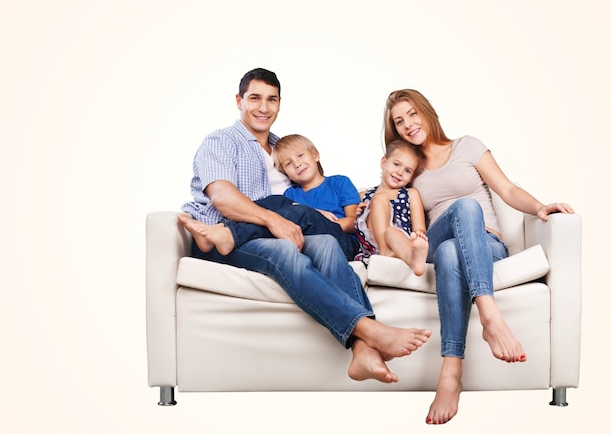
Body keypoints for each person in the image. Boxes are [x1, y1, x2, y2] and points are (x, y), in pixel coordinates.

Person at [180, 68, 431, 384]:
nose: (263, 107)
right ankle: (369, 331)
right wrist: (276, 219)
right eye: (254, 98)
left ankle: (363, 351)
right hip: (223, 239)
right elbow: (222, 197)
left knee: (326, 242)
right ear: (238, 101)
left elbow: (315, 190)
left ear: (279, 104)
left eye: (271, 99)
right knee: (286, 248)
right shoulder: (221, 141)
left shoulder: (281, 149)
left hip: (277, 230)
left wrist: (367, 199)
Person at [382, 88, 574, 424]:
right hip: (437, 238)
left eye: (412, 114)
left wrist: (541, 206)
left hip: (486, 244)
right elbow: (386, 201)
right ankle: (491, 316)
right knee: (458, 219)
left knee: (453, 247)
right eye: (399, 122)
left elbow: (508, 189)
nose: (408, 124)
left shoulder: (467, 146)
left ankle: (450, 372)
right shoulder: (411, 169)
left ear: (427, 112)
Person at [178, 134, 360, 260]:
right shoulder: (291, 194)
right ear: (284, 172)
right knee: (275, 202)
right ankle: (222, 229)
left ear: (315, 155)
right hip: (306, 242)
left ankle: (228, 235)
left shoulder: (339, 183)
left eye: (300, 155)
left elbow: (354, 222)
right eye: (288, 163)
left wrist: (315, 216)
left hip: (343, 243)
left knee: (302, 213)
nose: (297, 164)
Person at [354, 139, 429, 276]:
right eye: (396, 164)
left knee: (391, 232)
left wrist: (418, 237)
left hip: (399, 243)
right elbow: (355, 226)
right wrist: (358, 213)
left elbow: (419, 227)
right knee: (379, 198)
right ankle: (385, 250)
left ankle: (413, 260)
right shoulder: (364, 195)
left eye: (407, 170)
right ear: (384, 162)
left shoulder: (410, 194)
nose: (400, 172)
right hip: (374, 245)